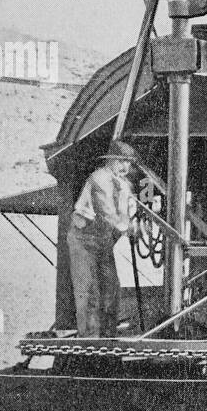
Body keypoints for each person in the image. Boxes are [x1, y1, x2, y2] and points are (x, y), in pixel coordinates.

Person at [66, 140, 139, 337]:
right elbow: (106, 212)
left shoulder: (123, 185)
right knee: (89, 291)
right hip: (84, 239)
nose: (125, 167)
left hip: (102, 241)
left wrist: (131, 216)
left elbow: (126, 212)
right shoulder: (99, 179)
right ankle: (90, 340)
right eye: (121, 161)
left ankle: (108, 337)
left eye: (129, 163)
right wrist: (126, 226)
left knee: (111, 289)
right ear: (111, 160)